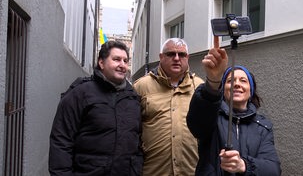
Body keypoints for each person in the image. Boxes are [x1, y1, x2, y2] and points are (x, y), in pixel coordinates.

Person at [187, 38, 281, 176]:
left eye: (243, 80)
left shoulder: (263, 126)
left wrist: (243, 165)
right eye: (230, 81)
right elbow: (197, 124)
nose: (237, 84)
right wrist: (213, 82)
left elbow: (273, 169)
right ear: (223, 90)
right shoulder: (212, 118)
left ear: (251, 91)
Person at [49, 40, 143, 176]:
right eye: (116, 59)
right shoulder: (80, 93)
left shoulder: (132, 98)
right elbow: (61, 140)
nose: (122, 65)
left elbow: (137, 141)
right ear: (101, 63)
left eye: (125, 61)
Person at [133, 38, 204, 175]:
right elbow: (130, 130)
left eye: (182, 55)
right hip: (153, 171)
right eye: (171, 54)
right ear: (161, 57)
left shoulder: (199, 87)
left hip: (191, 171)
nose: (177, 58)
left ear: (187, 58)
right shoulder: (141, 86)